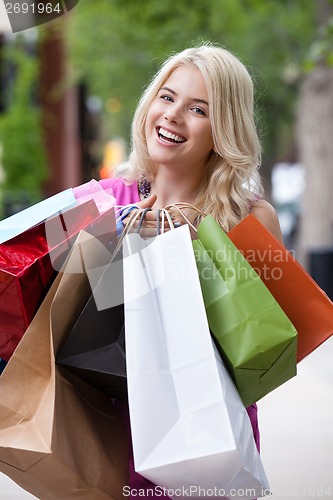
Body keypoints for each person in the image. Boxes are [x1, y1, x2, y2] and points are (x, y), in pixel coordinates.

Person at [101, 42, 283, 497]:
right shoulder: (102, 204)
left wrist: (197, 240)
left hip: (205, 439)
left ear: (223, 129)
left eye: (198, 109)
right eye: (167, 97)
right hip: (103, 431)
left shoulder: (251, 220)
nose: (173, 116)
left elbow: (269, 354)